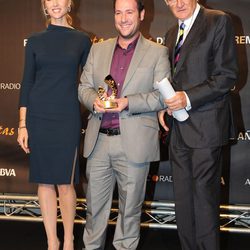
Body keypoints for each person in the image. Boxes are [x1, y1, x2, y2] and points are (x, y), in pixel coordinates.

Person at [78, 0, 171, 249]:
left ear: (141, 14)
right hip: (98, 143)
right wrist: (93, 101)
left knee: (129, 214)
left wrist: (127, 102)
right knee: (93, 212)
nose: (123, 18)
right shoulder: (98, 50)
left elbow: (162, 96)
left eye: (129, 12)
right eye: (118, 13)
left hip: (134, 144)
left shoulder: (157, 52)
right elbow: (84, 87)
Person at [158, 0, 238, 249]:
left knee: (204, 203)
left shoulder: (218, 20)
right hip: (178, 130)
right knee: (183, 204)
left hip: (206, 128)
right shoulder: (172, 33)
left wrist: (188, 98)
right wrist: (165, 105)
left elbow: (226, 76)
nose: (179, 3)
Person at [17, 0, 91, 249]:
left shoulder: (82, 40)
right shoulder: (35, 40)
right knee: (44, 182)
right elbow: (27, 82)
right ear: (44, 5)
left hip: (66, 117)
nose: (56, 3)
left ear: (70, 4)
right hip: (38, 117)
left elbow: (92, 79)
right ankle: (52, 241)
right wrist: (22, 125)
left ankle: (69, 239)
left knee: (65, 183)